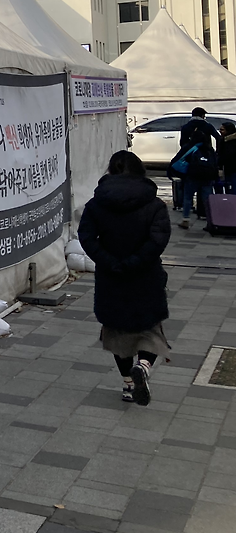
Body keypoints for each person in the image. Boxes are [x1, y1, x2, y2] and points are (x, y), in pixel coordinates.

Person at [78, 150, 171, 406]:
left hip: (111, 276)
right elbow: (158, 239)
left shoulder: (97, 204)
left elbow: (87, 237)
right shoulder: (154, 204)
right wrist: (136, 261)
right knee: (150, 328)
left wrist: (109, 261)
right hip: (146, 274)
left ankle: (128, 384)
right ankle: (143, 366)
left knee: (118, 332)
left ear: (111, 171)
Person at [177, 107, 220, 228]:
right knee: (207, 197)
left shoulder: (186, 128)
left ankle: (186, 219)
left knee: (188, 196)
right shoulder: (208, 128)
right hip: (207, 172)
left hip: (192, 171)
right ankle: (210, 220)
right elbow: (218, 138)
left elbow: (182, 144)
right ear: (202, 116)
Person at [220, 121, 236, 193]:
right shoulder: (223, 140)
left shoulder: (228, 141)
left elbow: (227, 155)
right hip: (227, 169)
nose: (220, 131)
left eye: (222, 130)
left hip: (232, 169)